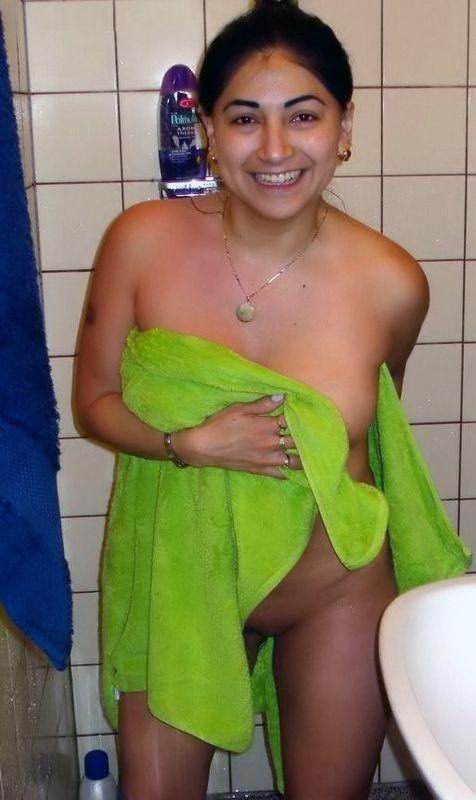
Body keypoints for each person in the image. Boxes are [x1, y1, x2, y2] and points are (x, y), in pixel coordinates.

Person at [74, 2, 470, 799]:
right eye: (246, 118)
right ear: (209, 131)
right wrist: (187, 444)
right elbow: (94, 402)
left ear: (344, 126)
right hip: (181, 581)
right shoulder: (140, 242)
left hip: (333, 588)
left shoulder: (393, 282)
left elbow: (369, 430)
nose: (277, 148)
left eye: (305, 115)